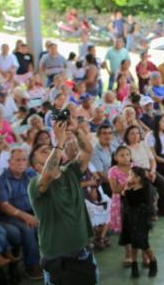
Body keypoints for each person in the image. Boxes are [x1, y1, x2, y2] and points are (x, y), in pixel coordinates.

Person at [28, 120, 96, 285]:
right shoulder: (35, 184)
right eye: (44, 152)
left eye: (50, 149)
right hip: (57, 258)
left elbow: (87, 150)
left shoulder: (71, 171)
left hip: (83, 252)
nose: (50, 151)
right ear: (37, 166)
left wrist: (76, 130)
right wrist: (59, 143)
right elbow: (49, 174)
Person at [0, 148, 42, 280]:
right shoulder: (2, 180)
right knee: (28, 229)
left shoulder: (31, 174)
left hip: (32, 211)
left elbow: (42, 191)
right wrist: (25, 216)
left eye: (24, 160)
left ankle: (52, 259)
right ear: (10, 162)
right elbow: (4, 206)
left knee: (50, 222)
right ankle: (32, 266)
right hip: (9, 216)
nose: (21, 163)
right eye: (17, 160)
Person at [124, 125, 164, 217]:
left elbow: (152, 160)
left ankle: (162, 209)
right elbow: (129, 166)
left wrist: (153, 171)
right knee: (148, 187)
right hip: (136, 173)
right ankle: (151, 213)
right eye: (132, 134)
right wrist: (144, 174)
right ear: (127, 136)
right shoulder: (126, 148)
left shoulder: (143, 144)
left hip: (149, 170)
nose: (135, 136)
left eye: (137, 133)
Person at [120, 166, 158, 278]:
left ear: (138, 178)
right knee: (133, 244)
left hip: (141, 221)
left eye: (131, 175)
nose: (128, 177)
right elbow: (125, 202)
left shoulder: (145, 189)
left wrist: (126, 191)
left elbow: (133, 202)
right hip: (130, 220)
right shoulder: (132, 188)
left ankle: (153, 262)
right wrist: (125, 192)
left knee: (144, 244)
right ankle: (134, 265)